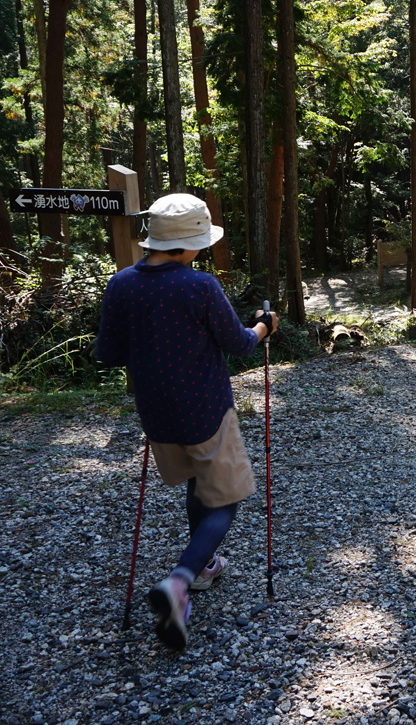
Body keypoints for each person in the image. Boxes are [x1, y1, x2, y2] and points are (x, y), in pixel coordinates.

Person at [95, 193, 278, 651]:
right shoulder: (199, 286)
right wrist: (265, 326)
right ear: (188, 244)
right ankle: (178, 581)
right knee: (226, 501)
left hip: (155, 414)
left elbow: (108, 353)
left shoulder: (121, 285)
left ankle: (203, 568)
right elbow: (238, 344)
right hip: (206, 410)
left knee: (201, 480)